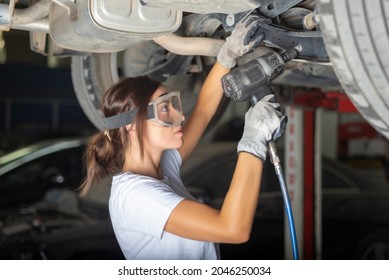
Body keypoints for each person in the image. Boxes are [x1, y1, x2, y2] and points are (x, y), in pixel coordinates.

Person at [79, 14, 286, 260]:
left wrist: (226, 56)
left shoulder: (162, 169)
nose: (180, 116)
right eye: (165, 109)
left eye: (173, 104)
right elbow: (232, 230)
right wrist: (253, 142)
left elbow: (203, 110)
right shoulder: (137, 197)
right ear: (132, 127)